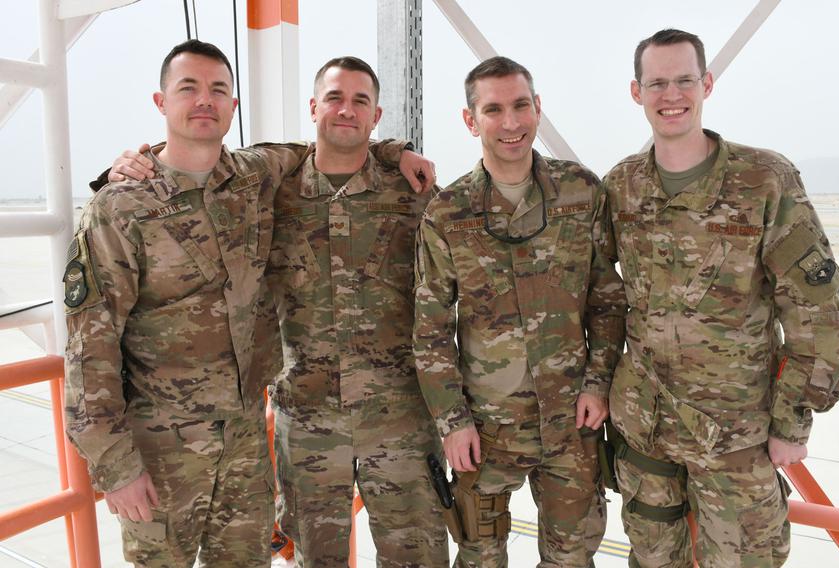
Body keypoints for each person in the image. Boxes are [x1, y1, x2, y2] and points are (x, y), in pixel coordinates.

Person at [64, 40, 428, 567]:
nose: (204, 101)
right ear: (160, 102)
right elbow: (88, 348)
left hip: (243, 439)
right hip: (163, 443)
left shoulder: (252, 177)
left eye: (218, 90)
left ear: (234, 106)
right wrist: (115, 466)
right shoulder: (120, 207)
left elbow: (333, 144)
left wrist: (397, 152)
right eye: (188, 88)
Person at [602, 29, 839, 567]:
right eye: (658, 83)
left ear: (706, 84)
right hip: (646, 433)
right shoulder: (621, 186)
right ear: (636, 92)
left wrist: (792, 422)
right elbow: (597, 293)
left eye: (684, 80)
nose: (672, 95)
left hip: (735, 436)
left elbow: (813, 311)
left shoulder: (764, 179)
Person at [413, 56, 627, 567]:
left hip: (571, 424)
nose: (510, 123)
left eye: (520, 106)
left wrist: (598, 383)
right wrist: (452, 420)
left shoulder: (581, 192)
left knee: (571, 559)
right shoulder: (448, 212)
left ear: (538, 109)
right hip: (486, 431)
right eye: (493, 109)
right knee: (479, 558)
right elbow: (431, 328)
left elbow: (607, 299)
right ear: (471, 121)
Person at [265, 56, 448, 567]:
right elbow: (207, 166)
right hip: (308, 420)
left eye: (360, 101)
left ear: (376, 114)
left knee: (419, 556)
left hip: (401, 418)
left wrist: (398, 152)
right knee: (314, 559)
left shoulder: (413, 192)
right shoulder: (274, 194)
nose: (346, 110)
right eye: (335, 98)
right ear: (313, 107)